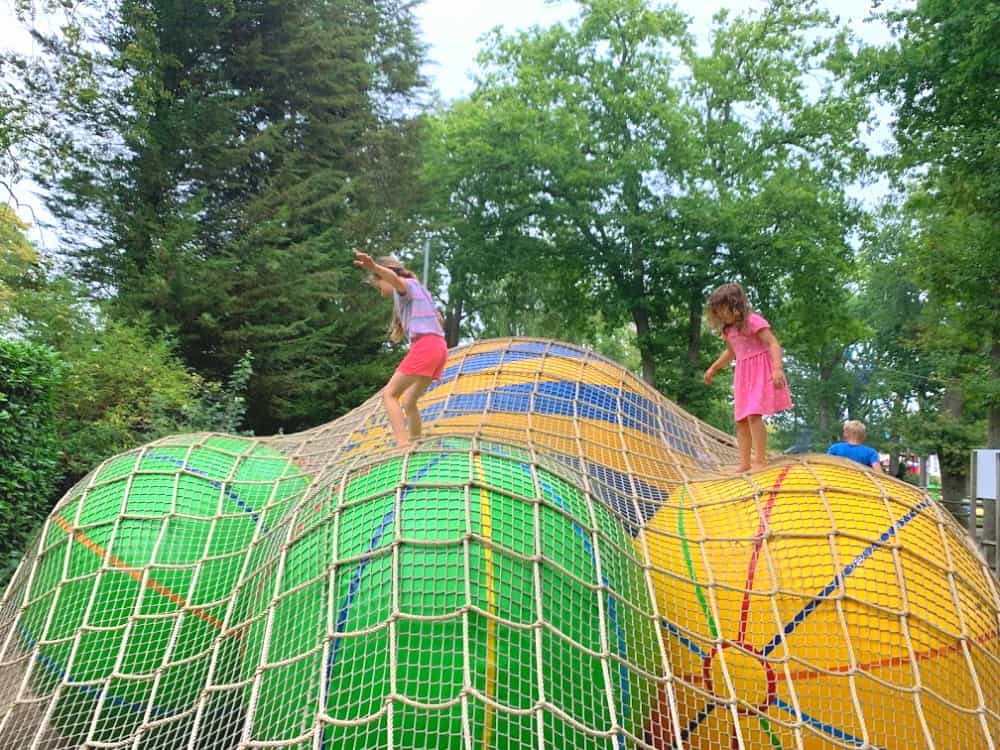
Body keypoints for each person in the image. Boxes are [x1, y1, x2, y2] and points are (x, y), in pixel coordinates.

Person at [353, 251, 448, 448]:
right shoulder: (421, 290)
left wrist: (374, 267)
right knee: (409, 402)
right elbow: (439, 320)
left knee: (390, 395)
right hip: (439, 348)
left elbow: (394, 280)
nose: (379, 289)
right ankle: (415, 443)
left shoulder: (405, 286)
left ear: (383, 276)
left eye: (377, 283)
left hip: (426, 346)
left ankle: (402, 445)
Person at [703, 282, 792, 472]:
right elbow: (730, 353)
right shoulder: (728, 331)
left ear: (735, 305)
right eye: (717, 311)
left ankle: (760, 460)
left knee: (753, 414)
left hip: (760, 371)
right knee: (741, 419)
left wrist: (777, 368)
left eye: (723, 309)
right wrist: (713, 368)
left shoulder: (753, 321)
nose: (721, 314)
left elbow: (773, 343)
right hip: (743, 375)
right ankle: (744, 462)